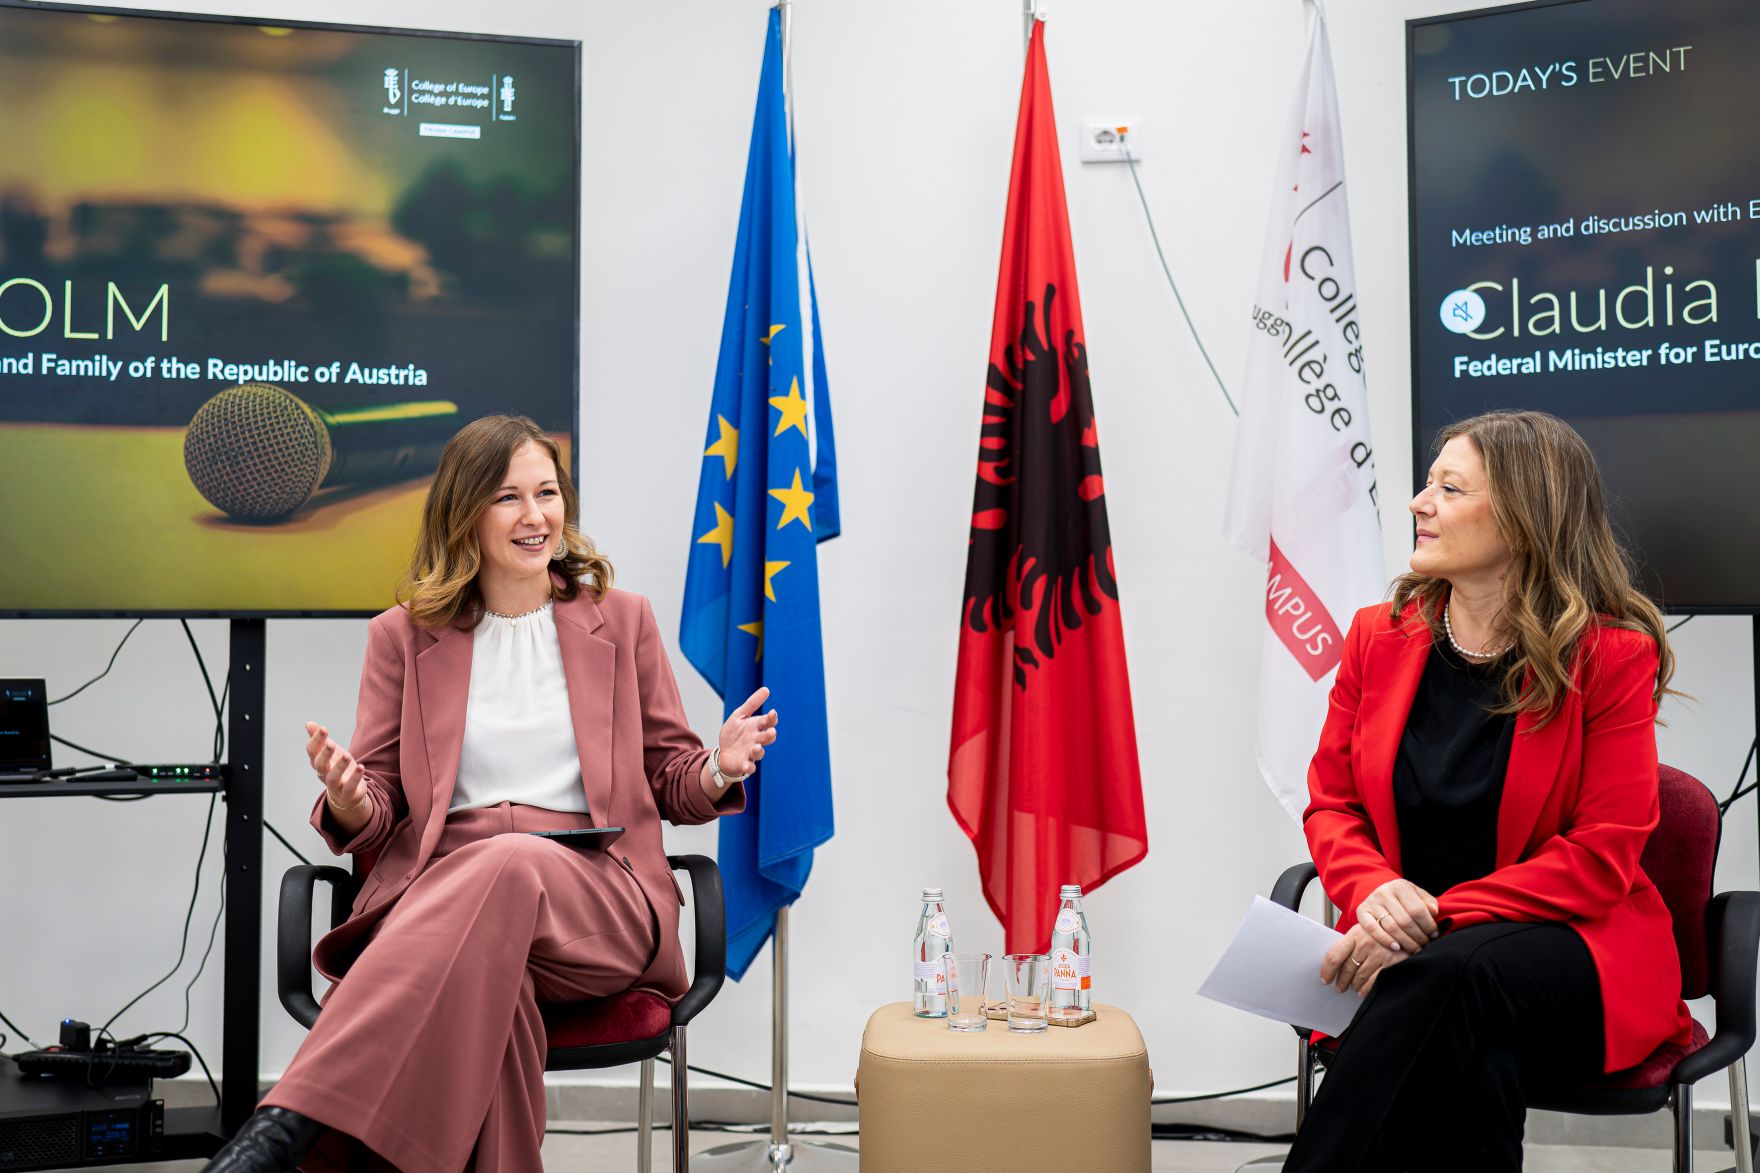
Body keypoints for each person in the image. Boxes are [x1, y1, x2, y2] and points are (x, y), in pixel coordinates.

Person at [205, 414, 775, 1173]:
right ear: (465, 511)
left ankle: (287, 1129)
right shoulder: (401, 636)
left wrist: (720, 767)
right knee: (490, 995)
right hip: (450, 903)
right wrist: (347, 796)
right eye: (509, 497)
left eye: (547, 493)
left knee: (508, 861)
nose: (535, 516)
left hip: (598, 897)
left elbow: (672, 778)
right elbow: (378, 805)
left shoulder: (624, 621)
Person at [1283, 410, 1695, 1172]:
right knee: (1475, 1047)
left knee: (1446, 974)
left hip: (1572, 951)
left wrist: (1434, 916)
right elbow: (1333, 802)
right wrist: (1373, 891)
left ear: (1523, 518)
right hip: (1424, 966)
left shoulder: (1609, 657)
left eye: (1448, 487)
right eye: (1427, 483)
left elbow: (1602, 858)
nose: (1418, 501)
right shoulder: (1379, 635)